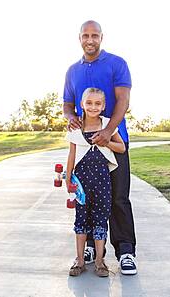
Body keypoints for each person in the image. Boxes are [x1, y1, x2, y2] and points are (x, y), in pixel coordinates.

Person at [63, 20, 137, 275]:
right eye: (86, 35)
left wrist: (108, 132)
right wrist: (70, 117)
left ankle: (126, 250)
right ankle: (92, 250)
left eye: (95, 35)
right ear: (79, 38)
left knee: (117, 198)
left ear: (101, 37)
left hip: (114, 139)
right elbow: (67, 104)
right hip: (85, 147)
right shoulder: (72, 70)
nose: (90, 39)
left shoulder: (117, 64)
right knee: (89, 201)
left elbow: (122, 100)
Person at [66, 87, 125, 277]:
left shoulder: (108, 125)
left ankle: (100, 261)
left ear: (103, 106)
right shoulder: (76, 127)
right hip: (81, 181)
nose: (93, 106)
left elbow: (121, 148)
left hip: (102, 181)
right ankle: (80, 260)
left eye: (97, 103)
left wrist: (106, 141)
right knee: (81, 219)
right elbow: (72, 154)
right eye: (89, 103)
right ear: (82, 104)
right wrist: (68, 178)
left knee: (100, 219)